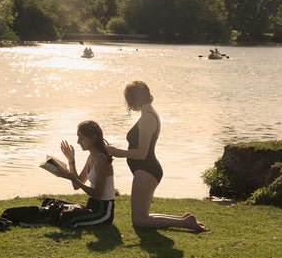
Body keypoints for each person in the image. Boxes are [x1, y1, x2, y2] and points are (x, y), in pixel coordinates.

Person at [107, 81, 207, 231]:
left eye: (129, 99)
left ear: (137, 98)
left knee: (140, 221)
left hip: (146, 170)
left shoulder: (148, 117)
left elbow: (142, 153)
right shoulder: (147, 114)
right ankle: (185, 220)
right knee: (142, 217)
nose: (128, 104)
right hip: (145, 170)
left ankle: (185, 223)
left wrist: (116, 152)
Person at [55, 120, 115, 228]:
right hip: (92, 206)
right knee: (52, 203)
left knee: (65, 217)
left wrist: (72, 178)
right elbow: (76, 186)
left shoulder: (102, 161)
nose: (78, 142)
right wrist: (71, 160)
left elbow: (97, 194)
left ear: (93, 138)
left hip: (103, 212)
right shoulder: (91, 157)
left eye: (81, 138)